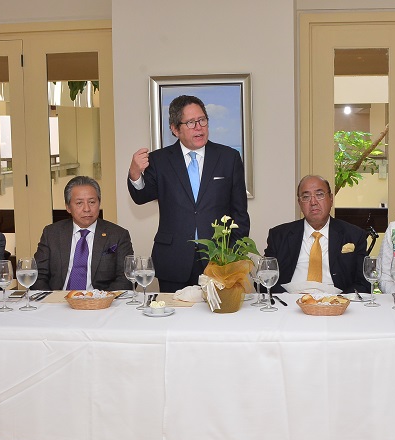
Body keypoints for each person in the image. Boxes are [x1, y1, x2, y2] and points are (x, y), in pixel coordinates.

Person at [128, 95, 249, 292]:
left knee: (218, 320)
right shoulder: (159, 160)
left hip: (218, 259)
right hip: (173, 259)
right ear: (175, 129)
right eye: (191, 123)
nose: (199, 127)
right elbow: (141, 197)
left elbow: (240, 212)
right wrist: (135, 173)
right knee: (174, 319)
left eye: (202, 120)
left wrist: (232, 255)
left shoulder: (229, 158)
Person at [264, 175, 371, 294]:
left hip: (336, 302)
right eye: (306, 197)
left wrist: (339, 301)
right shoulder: (279, 235)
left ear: (331, 199)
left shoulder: (354, 235)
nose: (313, 202)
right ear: (299, 203)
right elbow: (265, 279)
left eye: (319, 195)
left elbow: (363, 283)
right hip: (290, 303)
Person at [32, 176, 134, 291]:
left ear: (99, 203)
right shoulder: (51, 233)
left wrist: (100, 300)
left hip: (100, 303)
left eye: (92, 202)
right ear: (68, 207)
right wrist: (51, 301)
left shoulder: (118, 235)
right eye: (79, 203)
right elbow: (38, 275)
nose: (87, 209)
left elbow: (127, 278)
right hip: (59, 302)